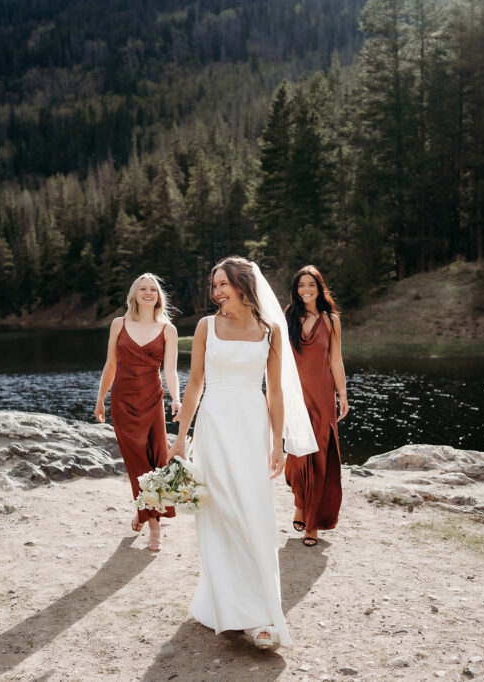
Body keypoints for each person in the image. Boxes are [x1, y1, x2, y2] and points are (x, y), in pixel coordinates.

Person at [167, 256, 316, 649]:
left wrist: (278, 442)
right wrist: (181, 436)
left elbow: (276, 391)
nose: (216, 292)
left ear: (243, 285)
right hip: (214, 426)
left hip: (253, 426)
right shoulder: (205, 327)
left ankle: (262, 613)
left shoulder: (270, 332)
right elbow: (195, 383)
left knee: (254, 514)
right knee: (219, 513)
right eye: (213, 285)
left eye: (223, 284)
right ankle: (231, 609)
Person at [95, 274, 181, 552]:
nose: (148, 293)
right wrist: (100, 399)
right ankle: (153, 523)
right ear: (134, 294)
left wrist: (176, 399)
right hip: (122, 401)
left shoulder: (168, 329)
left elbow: (170, 370)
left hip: (152, 401)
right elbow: (111, 364)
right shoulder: (118, 324)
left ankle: (146, 515)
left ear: (158, 296)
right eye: (143, 288)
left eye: (153, 289)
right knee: (136, 464)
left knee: (156, 461)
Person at [284, 266, 348, 547]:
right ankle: (300, 503)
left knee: (320, 456)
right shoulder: (288, 317)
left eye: (311, 284)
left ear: (320, 287)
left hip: (323, 396)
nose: (306, 289)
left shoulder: (331, 320)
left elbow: (335, 360)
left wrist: (343, 395)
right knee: (298, 455)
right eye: (301, 285)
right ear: (296, 289)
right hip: (295, 396)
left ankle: (312, 524)